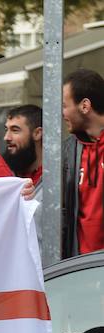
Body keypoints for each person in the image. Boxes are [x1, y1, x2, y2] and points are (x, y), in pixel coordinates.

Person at [62, 68, 104, 256]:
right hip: (80, 267)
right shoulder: (68, 151)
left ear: (85, 106)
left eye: (64, 105)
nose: (62, 113)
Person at [3, 104, 43, 186]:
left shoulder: (56, 177)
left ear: (37, 133)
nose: (6, 137)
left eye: (15, 130)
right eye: (6, 130)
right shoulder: (5, 176)